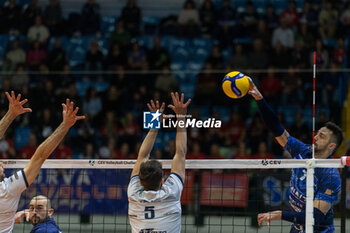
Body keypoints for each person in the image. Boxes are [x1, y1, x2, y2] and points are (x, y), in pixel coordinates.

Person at [248, 79, 343, 232]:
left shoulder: (330, 174)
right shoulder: (302, 150)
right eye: (317, 134)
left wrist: (280, 214)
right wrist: (260, 99)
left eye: (322, 136)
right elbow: (277, 129)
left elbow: (315, 218)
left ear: (331, 146)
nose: (316, 137)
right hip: (298, 229)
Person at [0, 92, 84, 232]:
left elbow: (40, 155)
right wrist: (65, 126)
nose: (2, 163)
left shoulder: (9, 188)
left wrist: (11, 114)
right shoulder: (9, 189)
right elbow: (40, 156)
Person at [128, 92, 191, 233]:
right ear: (162, 181)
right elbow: (180, 153)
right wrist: (181, 116)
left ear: (141, 182)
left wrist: (155, 123)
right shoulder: (171, 193)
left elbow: (142, 155)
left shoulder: (133, 194)